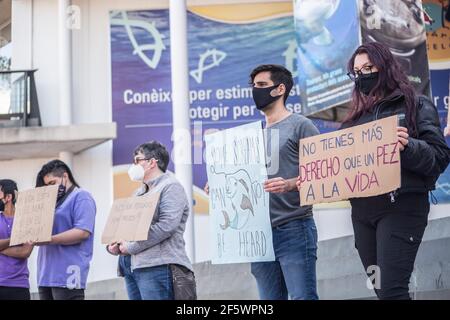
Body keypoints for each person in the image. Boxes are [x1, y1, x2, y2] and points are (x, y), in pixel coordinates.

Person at [298, 42, 450, 300]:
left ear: (386, 66)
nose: (362, 75)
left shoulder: (416, 104)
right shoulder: (353, 120)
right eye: (356, 72)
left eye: (368, 67)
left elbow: (439, 157)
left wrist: (407, 146)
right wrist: (308, 178)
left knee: (392, 290)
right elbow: (337, 166)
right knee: (382, 290)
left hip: (401, 209)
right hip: (362, 217)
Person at [206, 65, 320, 300]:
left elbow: (323, 175)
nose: (255, 91)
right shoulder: (249, 136)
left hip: (294, 227)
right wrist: (219, 186)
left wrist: (289, 184)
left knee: (302, 297)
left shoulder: (301, 125)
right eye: (253, 86)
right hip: (258, 233)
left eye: (261, 86)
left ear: (280, 89)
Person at [107, 141, 196, 300]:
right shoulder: (138, 193)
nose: (133, 165)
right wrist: (115, 246)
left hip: (158, 267)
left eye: (137, 160)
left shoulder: (171, 187)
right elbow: (129, 228)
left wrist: (132, 247)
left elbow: (166, 226)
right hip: (133, 268)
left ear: (152, 162)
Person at [34, 160, 96, 300]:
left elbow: (82, 232)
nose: (49, 188)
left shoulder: (81, 196)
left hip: (68, 272)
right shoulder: (49, 203)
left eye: (52, 183)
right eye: (46, 185)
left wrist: (49, 239)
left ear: (65, 176)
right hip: (45, 274)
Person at [0, 179, 33, 300]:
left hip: (19, 285)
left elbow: (25, 252)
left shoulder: (27, 220)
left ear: (8, 197)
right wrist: (16, 238)